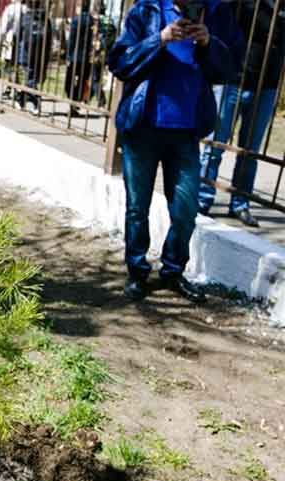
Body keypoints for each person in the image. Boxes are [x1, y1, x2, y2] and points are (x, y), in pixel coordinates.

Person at [107, 0, 244, 303]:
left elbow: (232, 68)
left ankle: (172, 271)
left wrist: (209, 43)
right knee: (136, 208)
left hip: (186, 132)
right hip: (142, 126)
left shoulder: (218, 12)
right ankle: (137, 271)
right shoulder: (146, 10)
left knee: (185, 210)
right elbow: (119, 62)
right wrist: (160, 39)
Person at [197, 0, 285, 227]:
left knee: (250, 152)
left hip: (268, 86)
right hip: (233, 82)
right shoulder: (244, 3)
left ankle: (240, 203)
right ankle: (202, 197)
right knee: (216, 144)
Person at [0, 0, 52, 110]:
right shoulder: (37, 13)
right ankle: (17, 92)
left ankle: (19, 94)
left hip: (16, 45)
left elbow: (4, 28)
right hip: (34, 49)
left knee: (14, 69)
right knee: (28, 74)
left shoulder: (13, 9)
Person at [64, 0, 93, 111]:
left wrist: (68, 56)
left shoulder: (77, 20)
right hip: (86, 57)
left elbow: (72, 40)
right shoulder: (90, 20)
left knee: (69, 82)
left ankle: (73, 101)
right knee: (81, 81)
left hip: (75, 56)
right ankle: (76, 102)